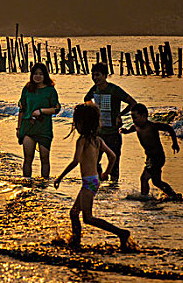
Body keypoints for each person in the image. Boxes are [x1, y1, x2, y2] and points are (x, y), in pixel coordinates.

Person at [54, 103, 131, 249]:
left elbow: (75, 161)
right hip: (93, 181)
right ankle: (75, 241)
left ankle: (121, 233)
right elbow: (112, 156)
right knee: (74, 213)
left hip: (89, 183)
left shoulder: (82, 141)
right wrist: (106, 173)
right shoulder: (98, 140)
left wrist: (60, 177)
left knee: (88, 218)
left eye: (76, 122)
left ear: (81, 123)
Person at [83, 62, 136, 181]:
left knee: (114, 163)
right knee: (94, 161)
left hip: (113, 133)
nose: (95, 78)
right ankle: (101, 183)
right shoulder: (95, 89)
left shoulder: (114, 89)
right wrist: (93, 111)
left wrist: (120, 114)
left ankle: (114, 190)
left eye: (98, 75)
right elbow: (86, 99)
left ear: (105, 75)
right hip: (98, 132)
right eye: (93, 75)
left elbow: (133, 103)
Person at [119, 103, 181, 199]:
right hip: (150, 158)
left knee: (144, 178)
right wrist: (125, 131)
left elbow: (169, 128)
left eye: (135, 117)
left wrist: (174, 143)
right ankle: (172, 195)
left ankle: (144, 198)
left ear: (144, 116)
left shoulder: (152, 126)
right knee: (156, 182)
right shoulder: (136, 126)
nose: (133, 120)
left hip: (158, 157)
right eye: (132, 118)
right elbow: (132, 129)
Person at [17, 62, 61, 179]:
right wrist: (18, 128)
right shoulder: (27, 89)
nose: (37, 76)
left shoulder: (50, 91)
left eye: (40, 74)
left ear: (45, 75)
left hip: (44, 129)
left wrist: (41, 111)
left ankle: (44, 184)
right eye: (35, 74)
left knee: (45, 159)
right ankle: (27, 183)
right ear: (32, 75)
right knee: (28, 158)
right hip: (28, 127)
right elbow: (22, 110)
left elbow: (56, 109)